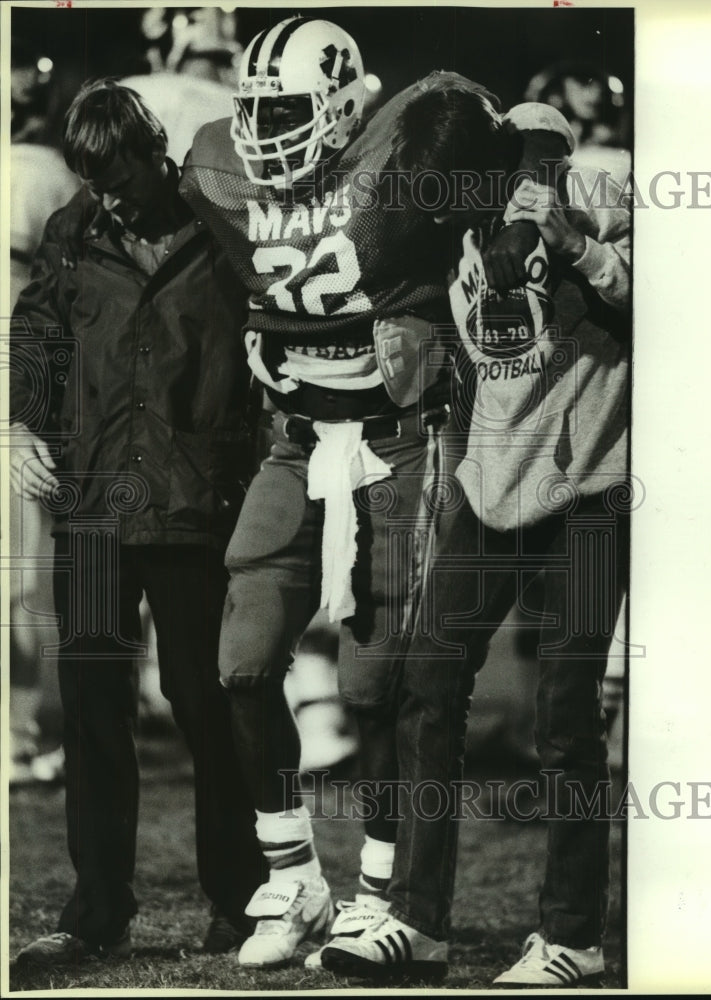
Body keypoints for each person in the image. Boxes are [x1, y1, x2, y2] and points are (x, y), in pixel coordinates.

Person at [178, 16, 496, 969]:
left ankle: (380, 893)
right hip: (293, 442)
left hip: (399, 443)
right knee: (239, 662)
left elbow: (495, 138)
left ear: (348, 105)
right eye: (256, 110)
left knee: (378, 684)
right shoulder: (219, 170)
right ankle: (294, 879)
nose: (267, 131)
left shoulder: (409, 150)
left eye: (289, 109)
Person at [317, 90, 631, 988]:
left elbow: (669, 313)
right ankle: (419, 920)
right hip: (488, 483)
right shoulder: (454, 225)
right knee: (428, 684)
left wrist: (577, 246)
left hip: (589, 487)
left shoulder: (602, 189)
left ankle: (572, 934)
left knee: (567, 714)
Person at [9, 80, 264, 965]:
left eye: (116, 173)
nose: (104, 193)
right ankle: (96, 913)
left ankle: (240, 900)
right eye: (89, 177)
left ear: (153, 149)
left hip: (193, 507)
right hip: (89, 507)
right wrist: (16, 427)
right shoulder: (73, 231)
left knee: (203, 703)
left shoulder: (221, 225)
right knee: (89, 710)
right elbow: (37, 333)